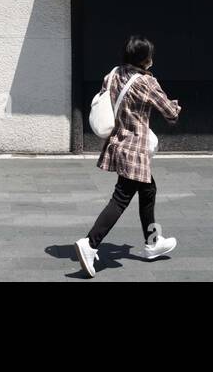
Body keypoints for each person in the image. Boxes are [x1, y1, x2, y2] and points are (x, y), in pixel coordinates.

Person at [75, 35, 182, 278]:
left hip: (117, 143)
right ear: (145, 60)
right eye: (150, 55)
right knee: (121, 198)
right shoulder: (146, 82)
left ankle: (153, 242)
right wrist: (175, 106)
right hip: (135, 150)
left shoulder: (112, 74)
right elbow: (170, 113)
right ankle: (90, 243)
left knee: (148, 190)